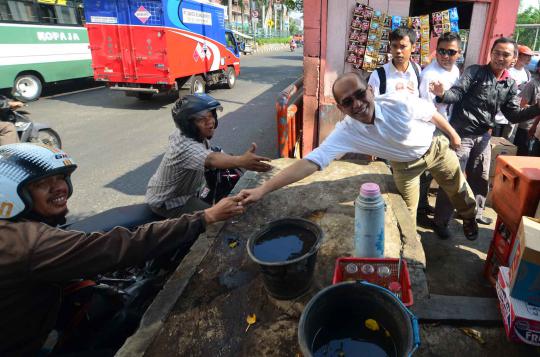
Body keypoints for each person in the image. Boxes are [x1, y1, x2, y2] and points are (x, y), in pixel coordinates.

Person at [0, 143, 245, 355]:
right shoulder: (28, 242)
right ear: (11, 191)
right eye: (43, 183)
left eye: (60, 178)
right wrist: (204, 217)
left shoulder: (15, 229)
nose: (60, 188)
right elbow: (122, 245)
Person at [239, 72, 478, 240]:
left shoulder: (399, 102)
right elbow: (311, 161)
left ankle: (468, 218)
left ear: (371, 90)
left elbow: (432, 114)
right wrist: (262, 189)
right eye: (347, 101)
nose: (357, 104)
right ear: (341, 108)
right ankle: (411, 251)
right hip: (404, 166)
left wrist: (454, 136)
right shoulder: (346, 132)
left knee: (458, 189)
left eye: (360, 94)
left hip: (434, 148)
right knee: (404, 213)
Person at [430, 37, 540, 236]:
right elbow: (457, 93)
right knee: (453, 179)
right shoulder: (475, 72)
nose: (499, 57)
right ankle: (441, 222)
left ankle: (474, 214)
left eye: (505, 54)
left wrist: (537, 108)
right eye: (496, 52)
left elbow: (513, 114)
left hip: (484, 136)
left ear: (513, 58)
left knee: (481, 177)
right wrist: (442, 94)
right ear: (491, 53)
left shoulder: (509, 84)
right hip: (461, 134)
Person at [145, 94, 271, 218]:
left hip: (182, 192)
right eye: (201, 119)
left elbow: (210, 153)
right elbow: (211, 159)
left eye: (211, 115)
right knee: (220, 217)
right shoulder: (184, 147)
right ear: (188, 125)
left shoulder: (189, 134)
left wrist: (233, 158)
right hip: (169, 202)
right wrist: (240, 161)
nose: (210, 122)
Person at [417, 32, 462, 217]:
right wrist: (451, 134)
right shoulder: (430, 75)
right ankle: (419, 210)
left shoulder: (456, 70)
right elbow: (428, 112)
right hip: (432, 129)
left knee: (433, 171)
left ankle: (423, 203)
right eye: (441, 51)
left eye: (451, 52)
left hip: (447, 126)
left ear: (459, 53)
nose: (445, 56)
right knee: (425, 171)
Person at [368, 27, 421, 96]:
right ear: (390, 46)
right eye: (394, 46)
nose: (398, 51)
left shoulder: (417, 70)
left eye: (403, 46)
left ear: (413, 47)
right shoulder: (377, 76)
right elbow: (371, 104)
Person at [513, 49, 537, 155]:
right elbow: (523, 103)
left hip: (515, 117)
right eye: (527, 56)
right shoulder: (508, 70)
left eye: (530, 57)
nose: (529, 59)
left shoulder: (527, 73)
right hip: (502, 114)